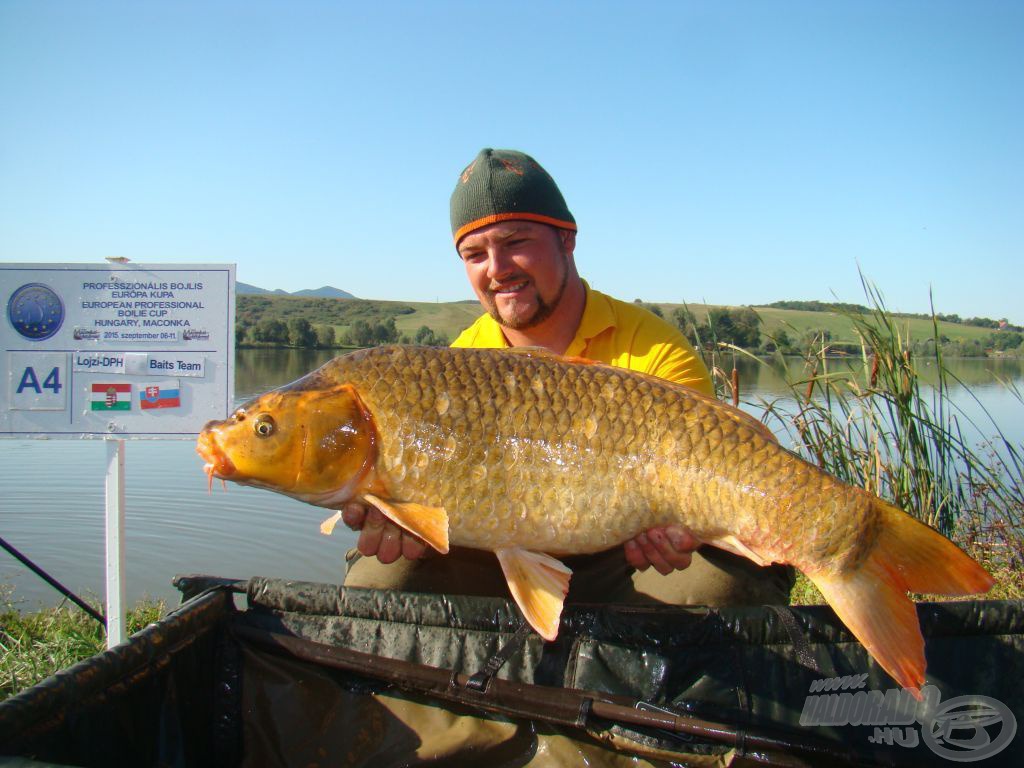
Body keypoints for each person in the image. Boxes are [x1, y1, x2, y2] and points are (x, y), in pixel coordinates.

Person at [342, 148, 792, 606]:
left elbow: (721, 477)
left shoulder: (655, 351)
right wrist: (399, 514)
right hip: (494, 558)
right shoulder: (460, 365)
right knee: (378, 583)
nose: (497, 270)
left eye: (516, 242)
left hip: (626, 564)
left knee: (721, 587)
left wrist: (688, 532)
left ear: (566, 240)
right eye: (475, 254)